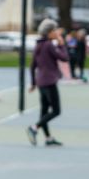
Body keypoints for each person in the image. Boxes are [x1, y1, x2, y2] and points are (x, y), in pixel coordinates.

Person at [27, 19, 68, 147]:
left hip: (41, 82)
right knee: (56, 110)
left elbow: (32, 66)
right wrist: (61, 44)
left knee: (44, 111)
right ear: (49, 32)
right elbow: (64, 58)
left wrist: (33, 83)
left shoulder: (38, 45)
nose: (56, 33)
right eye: (55, 30)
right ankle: (34, 127)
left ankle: (48, 138)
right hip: (49, 81)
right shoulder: (49, 45)